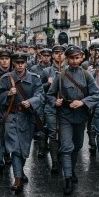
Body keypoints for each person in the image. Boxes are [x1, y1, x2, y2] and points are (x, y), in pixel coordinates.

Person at [45, 45, 99, 196]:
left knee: (77, 146)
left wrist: (83, 102)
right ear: (66, 58)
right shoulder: (60, 76)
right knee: (66, 146)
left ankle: (71, 170)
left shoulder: (86, 75)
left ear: (82, 58)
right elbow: (50, 95)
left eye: (77, 58)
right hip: (65, 115)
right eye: (71, 58)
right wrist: (54, 101)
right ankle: (68, 178)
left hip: (81, 116)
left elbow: (97, 94)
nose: (75, 61)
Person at [0, 52, 44, 192]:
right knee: (15, 148)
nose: (20, 65)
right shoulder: (6, 78)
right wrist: (8, 94)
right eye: (17, 63)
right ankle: (17, 179)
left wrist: (31, 101)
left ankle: (20, 172)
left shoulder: (34, 78)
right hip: (12, 117)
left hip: (28, 118)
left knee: (24, 148)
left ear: (26, 63)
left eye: (22, 62)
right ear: (14, 64)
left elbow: (41, 95)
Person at [40, 45, 67, 173]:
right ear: (53, 55)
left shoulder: (68, 70)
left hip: (66, 108)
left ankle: (63, 156)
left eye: (61, 53)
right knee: (53, 134)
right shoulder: (46, 72)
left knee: (64, 133)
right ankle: (55, 161)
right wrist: (47, 84)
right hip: (51, 107)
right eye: (56, 53)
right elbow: (39, 90)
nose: (59, 55)